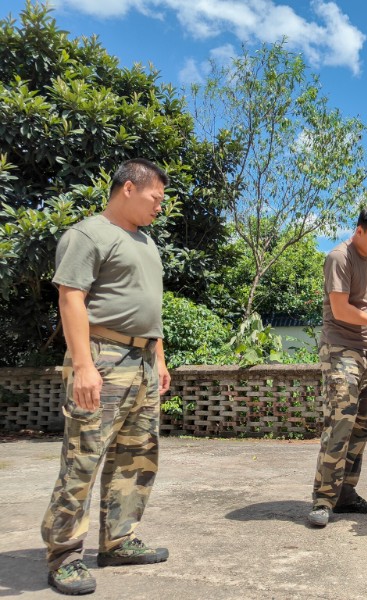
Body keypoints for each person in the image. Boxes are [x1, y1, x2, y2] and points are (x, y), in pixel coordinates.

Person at [41, 159, 172, 595]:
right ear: (130, 188)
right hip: (104, 356)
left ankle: (118, 539)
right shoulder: (87, 234)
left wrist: (160, 358)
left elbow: (150, 307)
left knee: (137, 456)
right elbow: (71, 299)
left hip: (143, 359)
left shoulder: (146, 241)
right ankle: (64, 553)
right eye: (156, 197)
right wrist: (83, 365)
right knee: (84, 456)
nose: (160, 206)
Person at [308, 206, 367, 528]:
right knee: (340, 422)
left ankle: (346, 494)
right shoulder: (339, 257)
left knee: (364, 423)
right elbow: (341, 309)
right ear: (359, 231)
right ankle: (323, 499)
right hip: (340, 349)